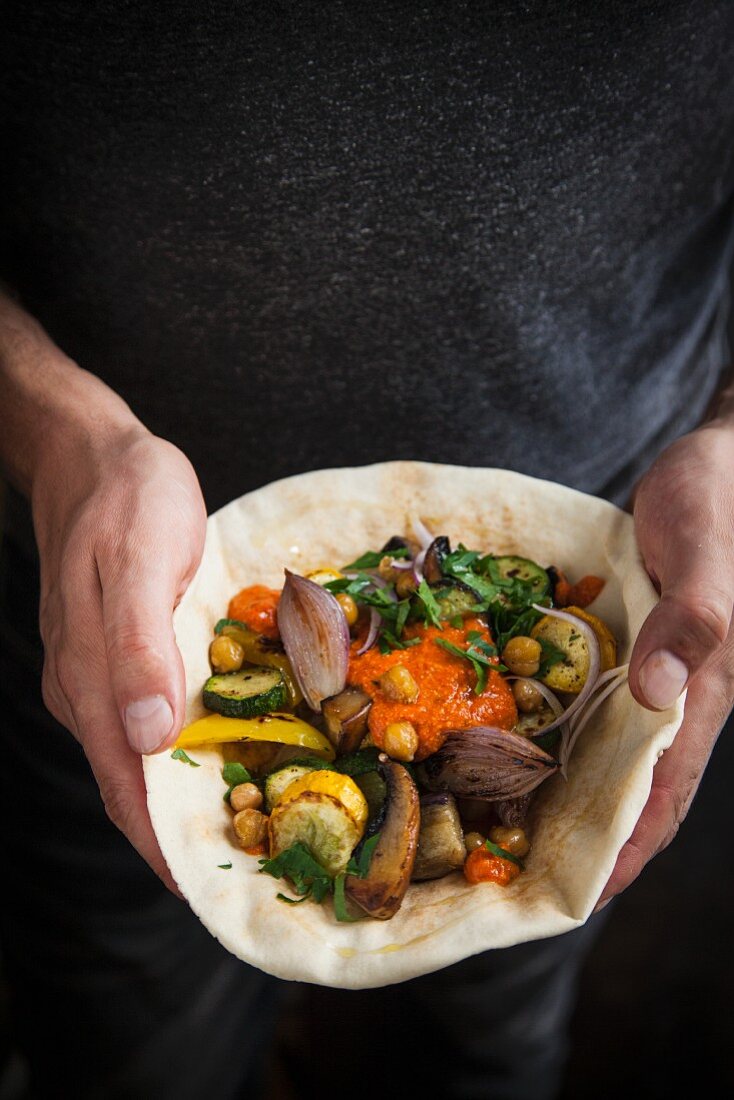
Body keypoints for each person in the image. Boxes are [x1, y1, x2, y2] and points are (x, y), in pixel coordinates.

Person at [1, 4, 733, 1097]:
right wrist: (53, 424)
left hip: (630, 574)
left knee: (474, 1056)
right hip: (103, 605)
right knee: (130, 1049)